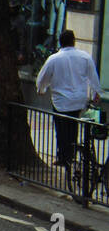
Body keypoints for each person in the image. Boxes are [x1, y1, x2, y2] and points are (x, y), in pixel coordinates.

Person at [35, 29, 101, 166]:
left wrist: (41, 89)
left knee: (61, 128)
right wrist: (96, 93)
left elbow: (42, 78)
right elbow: (93, 77)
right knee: (73, 126)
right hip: (78, 100)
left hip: (61, 101)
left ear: (60, 42)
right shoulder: (85, 57)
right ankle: (71, 153)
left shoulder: (54, 59)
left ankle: (63, 156)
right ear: (74, 41)